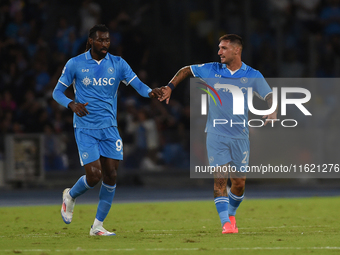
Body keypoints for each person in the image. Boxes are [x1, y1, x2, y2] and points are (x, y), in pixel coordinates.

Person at [160, 34, 277, 234]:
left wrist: (272, 109)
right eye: (219, 48)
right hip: (216, 134)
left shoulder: (253, 74)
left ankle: (231, 215)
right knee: (220, 179)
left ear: (237, 50)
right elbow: (186, 70)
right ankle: (226, 224)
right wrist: (170, 86)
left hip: (240, 136)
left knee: (238, 184)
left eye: (223, 48)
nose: (219, 52)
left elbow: (268, 94)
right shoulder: (212, 69)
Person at [52, 24, 162, 236]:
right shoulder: (75, 63)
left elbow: (138, 85)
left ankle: (97, 226)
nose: (105, 44)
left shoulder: (118, 63)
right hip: (85, 127)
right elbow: (57, 92)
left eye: (107, 40)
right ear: (91, 41)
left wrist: (151, 93)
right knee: (94, 176)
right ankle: (70, 196)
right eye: (101, 40)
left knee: (111, 175)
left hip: (110, 128)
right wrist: (71, 104)